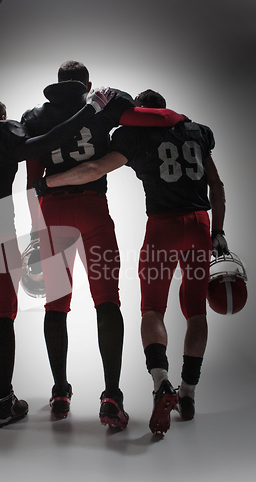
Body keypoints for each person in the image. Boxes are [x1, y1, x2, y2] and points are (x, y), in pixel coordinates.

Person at [35, 89, 228, 434]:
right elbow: (216, 184)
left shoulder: (133, 135)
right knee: (196, 311)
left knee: (152, 309)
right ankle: (188, 392)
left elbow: (93, 168)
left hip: (162, 228)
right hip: (199, 226)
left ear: (139, 113)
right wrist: (219, 231)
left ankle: (160, 380)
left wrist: (48, 182)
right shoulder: (198, 130)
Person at [21, 61, 187, 428]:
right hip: (94, 209)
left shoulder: (34, 116)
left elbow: (33, 179)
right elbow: (157, 119)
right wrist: (177, 116)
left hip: (52, 211)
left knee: (56, 305)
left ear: (58, 83)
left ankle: (60, 391)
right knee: (107, 301)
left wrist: (37, 229)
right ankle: (111, 396)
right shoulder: (102, 101)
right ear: (87, 83)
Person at [0, 91, 113, 427]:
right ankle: (3, 401)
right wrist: (91, 110)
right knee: (2, 314)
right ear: (3, 116)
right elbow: (48, 140)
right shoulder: (5, 132)